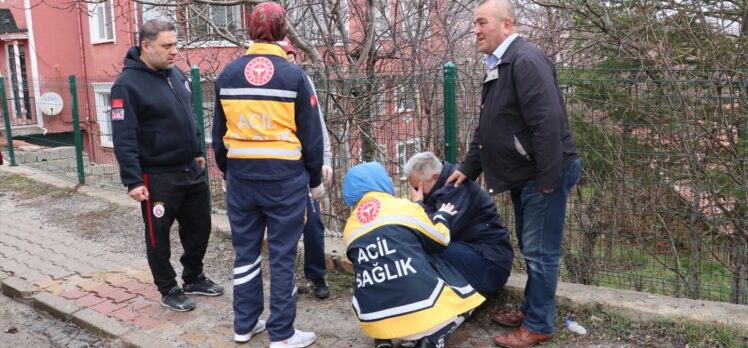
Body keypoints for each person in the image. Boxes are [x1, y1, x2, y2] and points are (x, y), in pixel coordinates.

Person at [448, 0, 582, 346]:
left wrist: (549, 180)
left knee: (540, 252)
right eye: (473, 23)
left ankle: (539, 324)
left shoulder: (525, 61)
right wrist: (468, 168)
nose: (475, 30)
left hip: (543, 176)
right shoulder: (501, 64)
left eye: (482, 23)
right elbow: (490, 125)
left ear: (506, 25)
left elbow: (547, 123)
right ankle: (532, 309)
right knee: (532, 246)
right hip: (530, 176)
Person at [212, 2, 323, 347]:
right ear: (282, 32)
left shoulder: (226, 75)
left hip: (242, 178)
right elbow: (311, 135)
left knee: (245, 252)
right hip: (284, 180)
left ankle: (244, 325)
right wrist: (315, 178)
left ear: (249, 31)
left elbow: (218, 136)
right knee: (283, 254)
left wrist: (229, 170)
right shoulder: (294, 76)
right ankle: (283, 333)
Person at [111, 19, 223, 313]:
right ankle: (168, 288)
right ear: (146, 46)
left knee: (200, 227)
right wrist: (133, 181)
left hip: (190, 169)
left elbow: (191, 116)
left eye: (176, 44)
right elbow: (124, 136)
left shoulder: (176, 75)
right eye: (167, 45)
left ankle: (194, 277)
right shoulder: (126, 85)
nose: (175, 51)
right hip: (157, 175)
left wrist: (198, 150)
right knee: (158, 236)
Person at [342, 162, 485, 348]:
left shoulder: (350, 227)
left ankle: (382, 339)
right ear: (381, 181)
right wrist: (442, 216)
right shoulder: (404, 207)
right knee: (469, 299)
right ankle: (431, 340)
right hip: (420, 310)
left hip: (372, 317)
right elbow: (440, 240)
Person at [404, 152, 513, 296]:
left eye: (418, 187)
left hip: (490, 266)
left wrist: (418, 205)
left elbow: (433, 236)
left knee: (425, 248)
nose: (417, 193)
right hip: (473, 253)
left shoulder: (457, 188)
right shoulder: (442, 186)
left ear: (435, 177)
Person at [280, 37, 333, 299]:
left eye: (291, 58)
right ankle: (285, 279)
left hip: (304, 167)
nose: (289, 64)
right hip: (278, 169)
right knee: (284, 228)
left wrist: (325, 159)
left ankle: (317, 275)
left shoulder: (302, 80)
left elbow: (316, 124)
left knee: (313, 224)